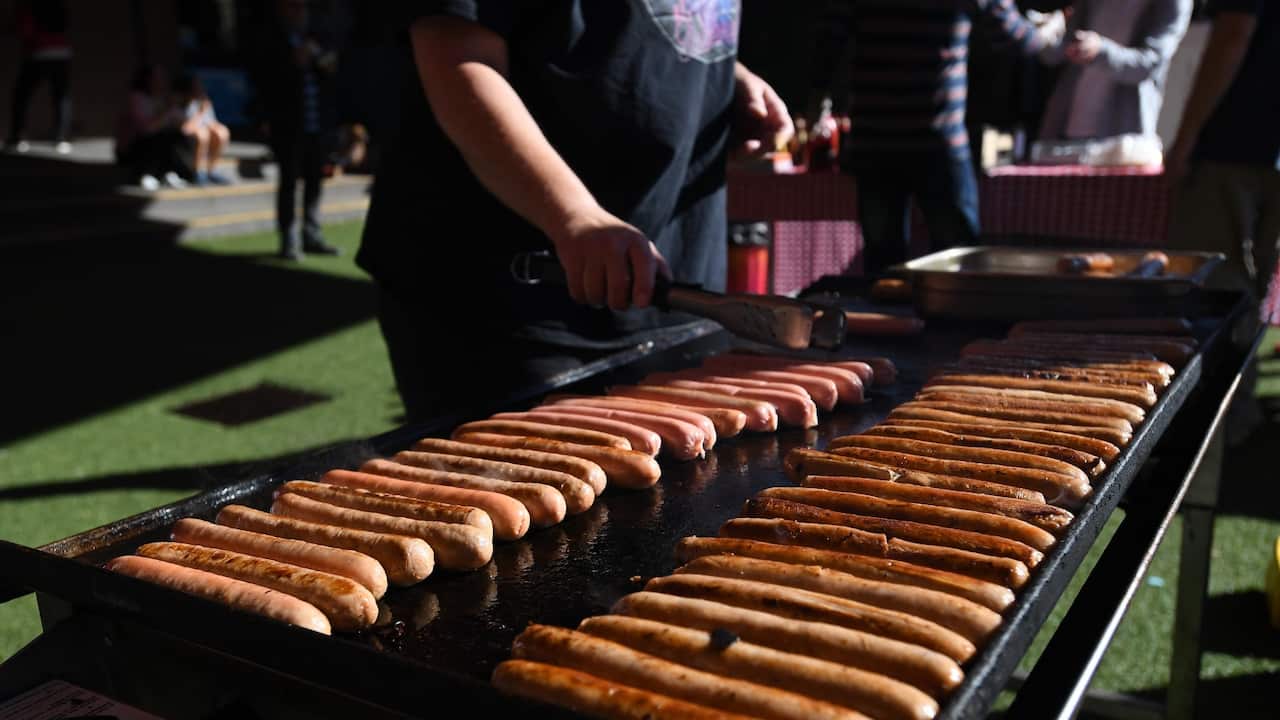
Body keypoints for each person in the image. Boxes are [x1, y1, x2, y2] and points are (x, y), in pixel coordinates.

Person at [356, 2, 793, 421]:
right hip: (512, 302)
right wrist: (576, 215)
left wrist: (726, 77)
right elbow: (459, 56)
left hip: (678, 291)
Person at [813, 1, 1054, 275]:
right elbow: (1016, 38)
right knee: (960, 263)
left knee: (883, 266)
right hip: (938, 141)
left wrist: (816, 98)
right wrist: (1048, 30)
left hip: (875, 139)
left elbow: (828, 41)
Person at [1166, 0, 1280, 301]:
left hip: (1237, 143)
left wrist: (1186, 138)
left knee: (1212, 285)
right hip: (1254, 147)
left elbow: (1232, 37)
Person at [255, 0, 341, 260]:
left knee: (315, 180)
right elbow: (264, 80)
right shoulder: (273, 41)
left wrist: (317, 58)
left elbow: (333, 71)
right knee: (289, 181)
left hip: (317, 124)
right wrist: (292, 61)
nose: (298, 11)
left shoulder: (317, 38)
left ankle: (311, 234)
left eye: (301, 7)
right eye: (292, 6)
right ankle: (288, 240)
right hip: (288, 125)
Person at [1037, 0, 1192, 142]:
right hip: (1065, 127)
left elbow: (1149, 64)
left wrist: (1100, 50)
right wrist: (1041, 35)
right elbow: (1059, 52)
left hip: (1121, 138)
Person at [4, 0, 72, 154]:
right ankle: (61, 139)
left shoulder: (29, 5)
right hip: (61, 53)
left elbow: (25, 29)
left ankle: (18, 137)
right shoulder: (56, 4)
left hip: (39, 52)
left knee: (22, 95)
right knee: (61, 96)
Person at [114, 64, 192, 190]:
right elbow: (147, 129)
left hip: (157, 143)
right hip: (131, 147)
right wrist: (167, 111)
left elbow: (183, 123)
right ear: (147, 80)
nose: (162, 81)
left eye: (163, 78)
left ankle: (169, 173)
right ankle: (146, 174)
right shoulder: (137, 98)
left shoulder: (162, 98)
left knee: (176, 136)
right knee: (159, 138)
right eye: (158, 78)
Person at [174, 73, 233, 186]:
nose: (200, 88)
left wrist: (217, 129)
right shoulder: (180, 102)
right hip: (182, 138)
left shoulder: (203, 100)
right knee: (202, 134)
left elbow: (211, 122)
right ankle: (198, 172)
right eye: (196, 85)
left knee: (222, 132)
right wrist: (200, 113)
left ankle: (211, 170)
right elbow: (185, 128)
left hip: (201, 132)